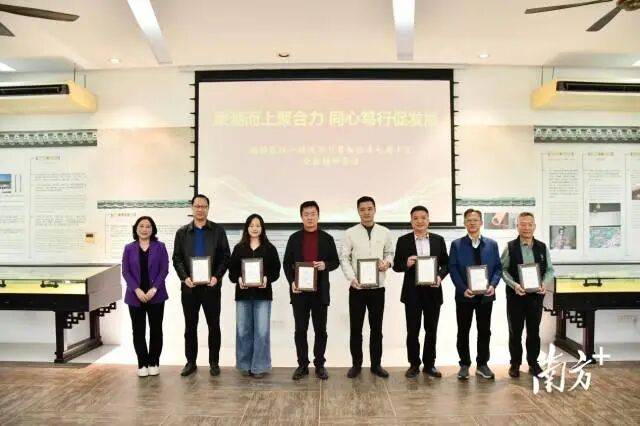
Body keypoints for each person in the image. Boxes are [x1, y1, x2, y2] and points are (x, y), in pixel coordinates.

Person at [173, 194, 230, 377]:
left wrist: (216, 277)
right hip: (189, 288)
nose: (200, 209)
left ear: (208, 208)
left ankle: (214, 363)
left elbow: (225, 257)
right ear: (192, 208)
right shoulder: (182, 233)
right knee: (190, 326)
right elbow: (177, 258)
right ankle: (191, 362)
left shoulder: (218, 231)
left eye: (203, 206)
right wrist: (184, 278)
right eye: (197, 206)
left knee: (214, 325)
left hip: (211, 287)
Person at [283, 201, 339, 380]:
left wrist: (325, 265)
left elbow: (335, 261)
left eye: (313, 214)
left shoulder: (327, 238)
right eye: (306, 214)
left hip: (320, 292)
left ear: (318, 215)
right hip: (299, 292)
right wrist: (292, 281)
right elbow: (286, 263)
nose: (309, 217)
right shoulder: (294, 238)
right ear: (301, 217)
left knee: (320, 330)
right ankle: (302, 365)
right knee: (300, 330)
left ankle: (320, 364)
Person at [340, 196, 395, 378]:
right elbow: (344, 258)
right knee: (356, 329)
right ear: (358, 211)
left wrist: (387, 263)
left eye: (369, 209)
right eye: (362, 209)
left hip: (378, 289)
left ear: (375, 210)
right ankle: (356, 365)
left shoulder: (384, 232)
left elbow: (390, 253)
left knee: (376, 329)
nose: (366, 212)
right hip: (357, 288)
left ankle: (376, 365)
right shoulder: (350, 233)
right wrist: (352, 278)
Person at [393, 206, 449, 379]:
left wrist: (439, 277)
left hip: (433, 292)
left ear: (428, 220)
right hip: (412, 294)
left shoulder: (438, 240)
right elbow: (396, 266)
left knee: (431, 330)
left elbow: (446, 264)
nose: (420, 221)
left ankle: (430, 365)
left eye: (423, 217)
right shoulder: (403, 241)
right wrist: (406, 263)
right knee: (413, 331)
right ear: (411, 221)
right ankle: (414, 364)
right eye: (416, 218)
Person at [449, 208, 502, 380]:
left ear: (481, 222)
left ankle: (482, 364)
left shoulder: (492, 244)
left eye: (475, 220)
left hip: (486, 296)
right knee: (463, 331)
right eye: (469, 220)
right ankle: (464, 364)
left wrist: (493, 285)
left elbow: (498, 268)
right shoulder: (456, 245)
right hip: (464, 295)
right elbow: (453, 269)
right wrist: (462, 288)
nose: (472, 223)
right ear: (464, 223)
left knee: (484, 331)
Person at [501, 212, 554, 378]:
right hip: (516, 296)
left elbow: (550, 270)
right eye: (522, 224)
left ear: (534, 226)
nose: (526, 228)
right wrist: (514, 285)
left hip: (536, 297)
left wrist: (544, 283)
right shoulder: (510, 247)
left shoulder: (542, 247)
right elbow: (503, 270)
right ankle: (515, 364)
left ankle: (533, 363)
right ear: (517, 226)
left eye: (529, 224)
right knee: (515, 332)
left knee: (533, 331)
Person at [228, 214, 281, 378]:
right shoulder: (239, 248)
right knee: (243, 331)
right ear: (247, 228)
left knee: (262, 332)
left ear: (262, 228)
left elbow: (276, 271)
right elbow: (232, 273)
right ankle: (244, 365)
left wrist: (267, 279)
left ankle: (259, 366)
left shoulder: (269, 248)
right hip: (243, 296)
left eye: (258, 225)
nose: (255, 228)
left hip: (263, 296)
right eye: (251, 225)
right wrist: (238, 279)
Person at [122, 216, 169, 377]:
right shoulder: (129, 248)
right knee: (138, 331)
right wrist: (136, 290)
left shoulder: (160, 247)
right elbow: (125, 272)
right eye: (141, 226)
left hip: (156, 295)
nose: (144, 229)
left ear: (153, 229)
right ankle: (142, 364)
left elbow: (164, 270)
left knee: (156, 330)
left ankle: (154, 362)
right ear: (136, 229)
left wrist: (154, 289)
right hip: (135, 296)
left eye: (148, 226)